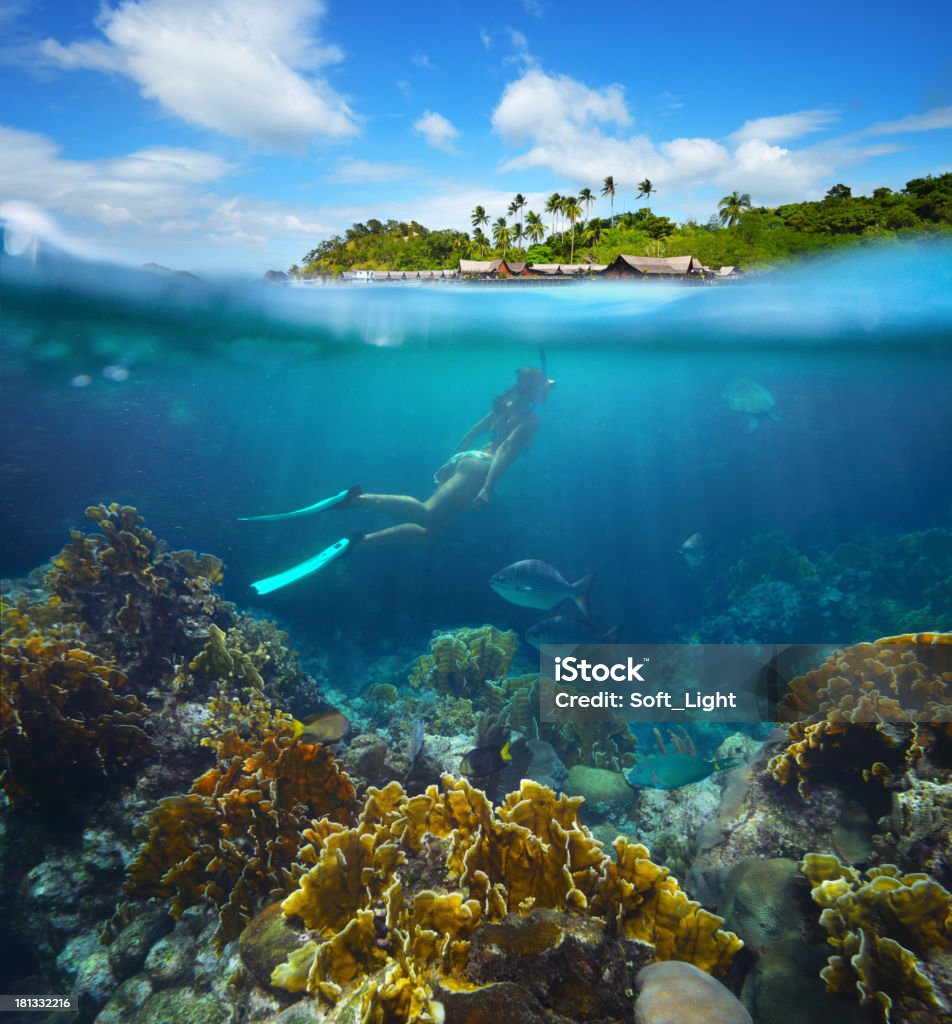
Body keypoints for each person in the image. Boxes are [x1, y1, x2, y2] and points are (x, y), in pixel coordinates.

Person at [241, 366, 555, 595]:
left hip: (469, 459)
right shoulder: (530, 421)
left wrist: (452, 460)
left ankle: (357, 544)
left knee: (429, 532)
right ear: (539, 392)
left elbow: (472, 433)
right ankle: (356, 500)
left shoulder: (508, 406)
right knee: (427, 511)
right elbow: (505, 454)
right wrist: (488, 486)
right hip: (481, 470)